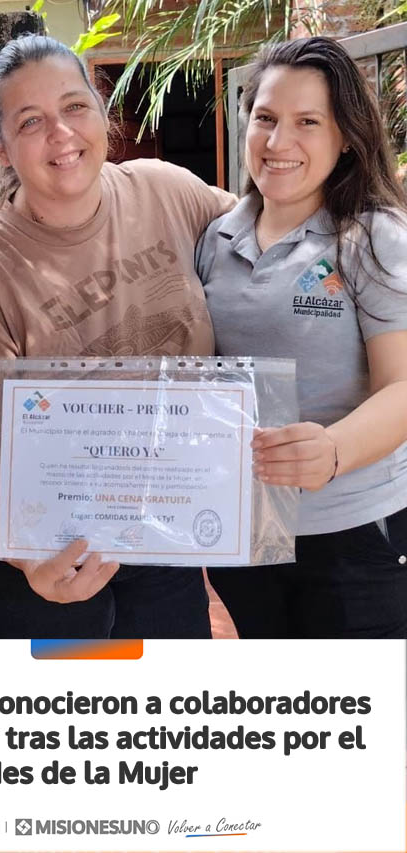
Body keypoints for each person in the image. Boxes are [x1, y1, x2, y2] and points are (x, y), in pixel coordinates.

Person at [0, 34, 236, 639]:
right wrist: (32, 556)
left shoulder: (167, 192)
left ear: (101, 111)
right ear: (0, 146)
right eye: (30, 121)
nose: (61, 133)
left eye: (75, 106)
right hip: (58, 559)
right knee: (79, 695)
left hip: (170, 537)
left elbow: (270, 243)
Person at [196, 36, 407, 638]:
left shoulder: (373, 237)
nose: (278, 141)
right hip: (251, 534)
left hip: (353, 534)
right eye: (265, 118)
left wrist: (333, 449)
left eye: (307, 122)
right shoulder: (216, 238)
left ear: (346, 138)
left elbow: (402, 386)